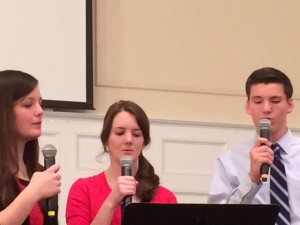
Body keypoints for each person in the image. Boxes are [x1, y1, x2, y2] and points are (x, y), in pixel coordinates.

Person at [207, 67, 300, 224]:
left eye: (275, 101)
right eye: (258, 101)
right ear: (248, 106)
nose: (266, 109)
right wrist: (252, 179)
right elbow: (217, 219)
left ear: (289, 105)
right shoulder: (229, 161)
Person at [66, 100, 177, 225]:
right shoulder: (83, 190)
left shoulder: (166, 198)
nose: (129, 140)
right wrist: (112, 202)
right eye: (120, 133)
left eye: (136, 134)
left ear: (144, 142)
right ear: (106, 140)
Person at [0, 70, 61, 225]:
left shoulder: (38, 173)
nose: (40, 111)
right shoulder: (37, 184)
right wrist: (33, 192)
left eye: (40, 103)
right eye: (28, 104)